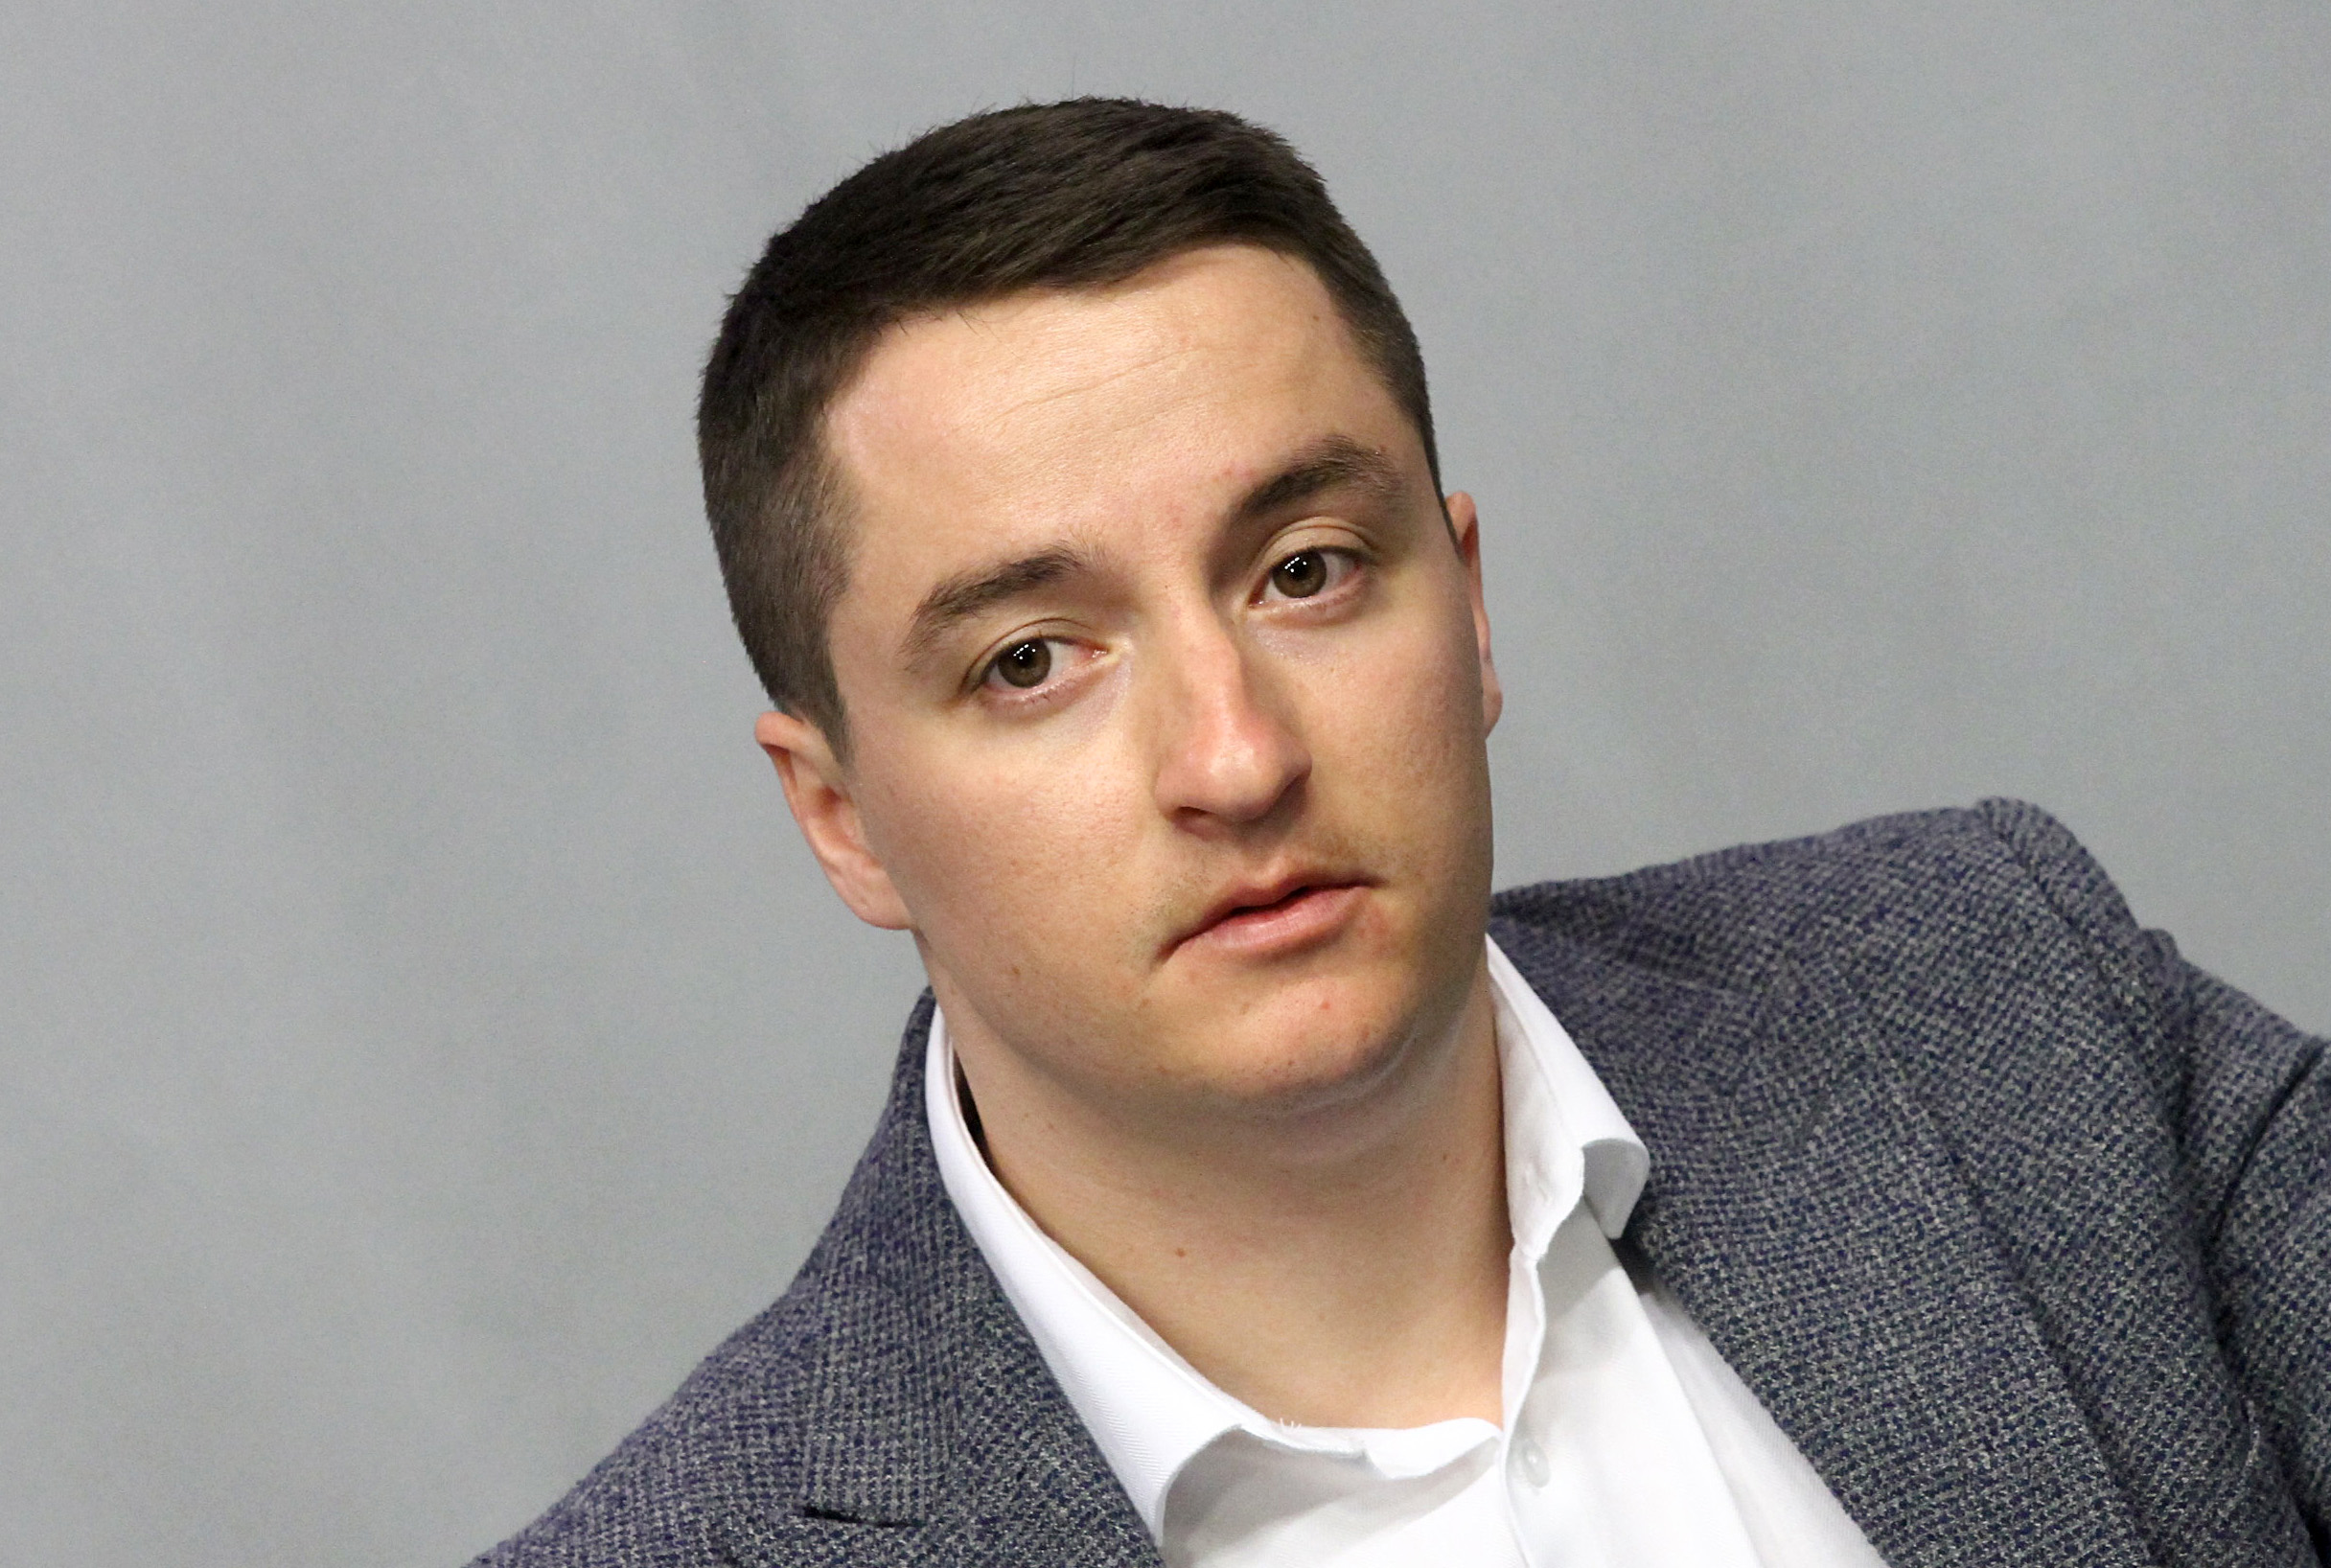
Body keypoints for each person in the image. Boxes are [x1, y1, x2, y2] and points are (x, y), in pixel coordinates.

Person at [474, 100, 2327, 1568]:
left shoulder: (1995, 990)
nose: (1235, 757)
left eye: (1305, 570)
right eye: (1031, 660)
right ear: (842, 819)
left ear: (1470, 603)